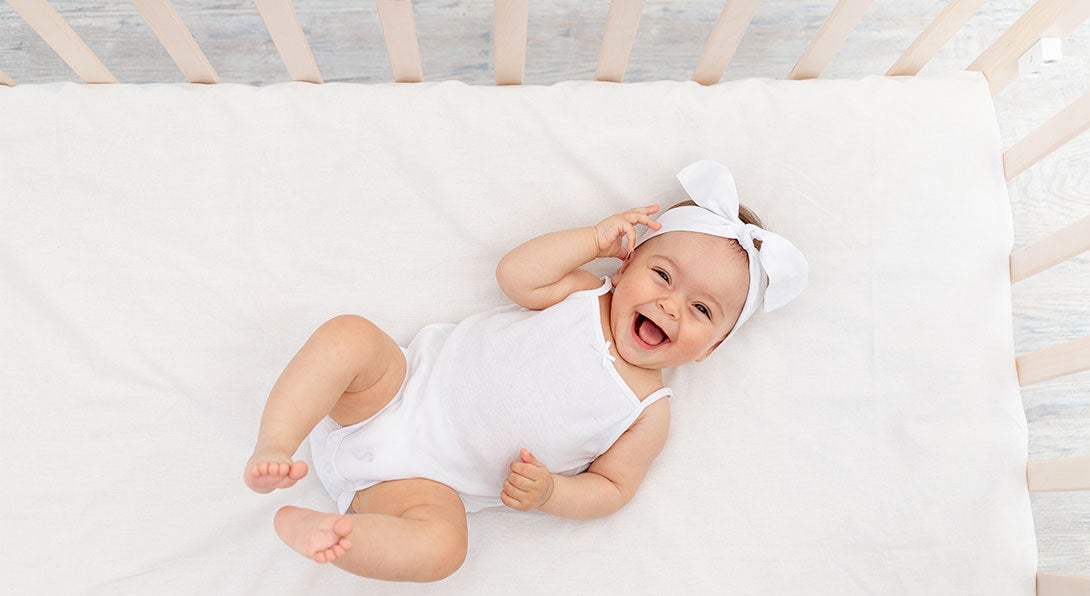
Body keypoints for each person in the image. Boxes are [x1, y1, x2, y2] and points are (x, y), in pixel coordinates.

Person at [242, 160, 808, 582]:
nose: (671, 306)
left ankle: (338, 536)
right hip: (393, 392)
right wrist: (591, 239)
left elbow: (610, 489)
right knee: (351, 335)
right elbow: (515, 274)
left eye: (703, 310)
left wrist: (552, 493)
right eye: (662, 275)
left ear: (709, 350)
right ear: (627, 260)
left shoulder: (647, 414)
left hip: (423, 485)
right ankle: (277, 443)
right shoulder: (587, 293)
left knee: (445, 551)